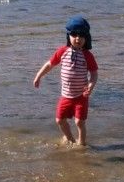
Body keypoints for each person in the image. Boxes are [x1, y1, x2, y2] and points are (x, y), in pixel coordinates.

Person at [33, 15, 98, 146]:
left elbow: (94, 73)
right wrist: (38, 76)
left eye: (81, 35)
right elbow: (49, 64)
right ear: (68, 35)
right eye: (74, 35)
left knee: (79, 122)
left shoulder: (87, 55)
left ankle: (82, 144)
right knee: (59, 120)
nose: (78, 39)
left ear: (86, 37)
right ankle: (70, 139)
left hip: (81, 96)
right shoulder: (63, 51)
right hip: (66, 96)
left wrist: (91, 85)